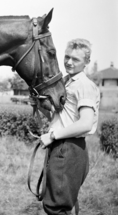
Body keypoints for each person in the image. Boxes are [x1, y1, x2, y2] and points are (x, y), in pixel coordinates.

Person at [30, 38, 100, 215]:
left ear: (86, 62)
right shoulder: (67, 82)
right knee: (65, 202)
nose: (69, 62)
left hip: (68, 148)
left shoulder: (84, 85)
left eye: (75, 59)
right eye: (67, 57)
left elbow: (85, 123)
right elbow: (60, 117)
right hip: (62, 147)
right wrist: (38, 105)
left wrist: (52, 136)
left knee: (56, 206)